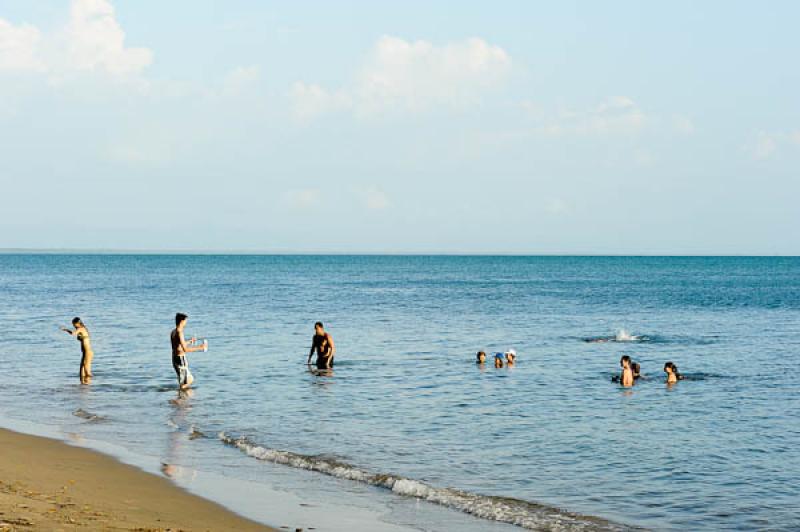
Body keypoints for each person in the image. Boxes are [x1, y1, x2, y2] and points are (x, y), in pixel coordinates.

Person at [170, 313, 206, 390]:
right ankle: (180, 396)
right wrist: (200, 347)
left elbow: (178, 346)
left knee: (183, 381)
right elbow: (185, 349)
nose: (186, 323)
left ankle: (181, 398)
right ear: (182, 321)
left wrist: (190, 341)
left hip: (174, 358)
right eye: (186, 321)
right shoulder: (180, 332)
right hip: (180, 360)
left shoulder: (173, 331)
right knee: (189, 380)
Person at [61, 317, 93, 384]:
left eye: (74, 324)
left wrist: (66, 329)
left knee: (87, 370)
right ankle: (83, 385)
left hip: (88, 351)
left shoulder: (81, 328)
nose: (73, 326)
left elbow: (73, 333)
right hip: (84, 352)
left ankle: (89, 385)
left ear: (78, 323)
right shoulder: (81, 329)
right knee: (81, 370)